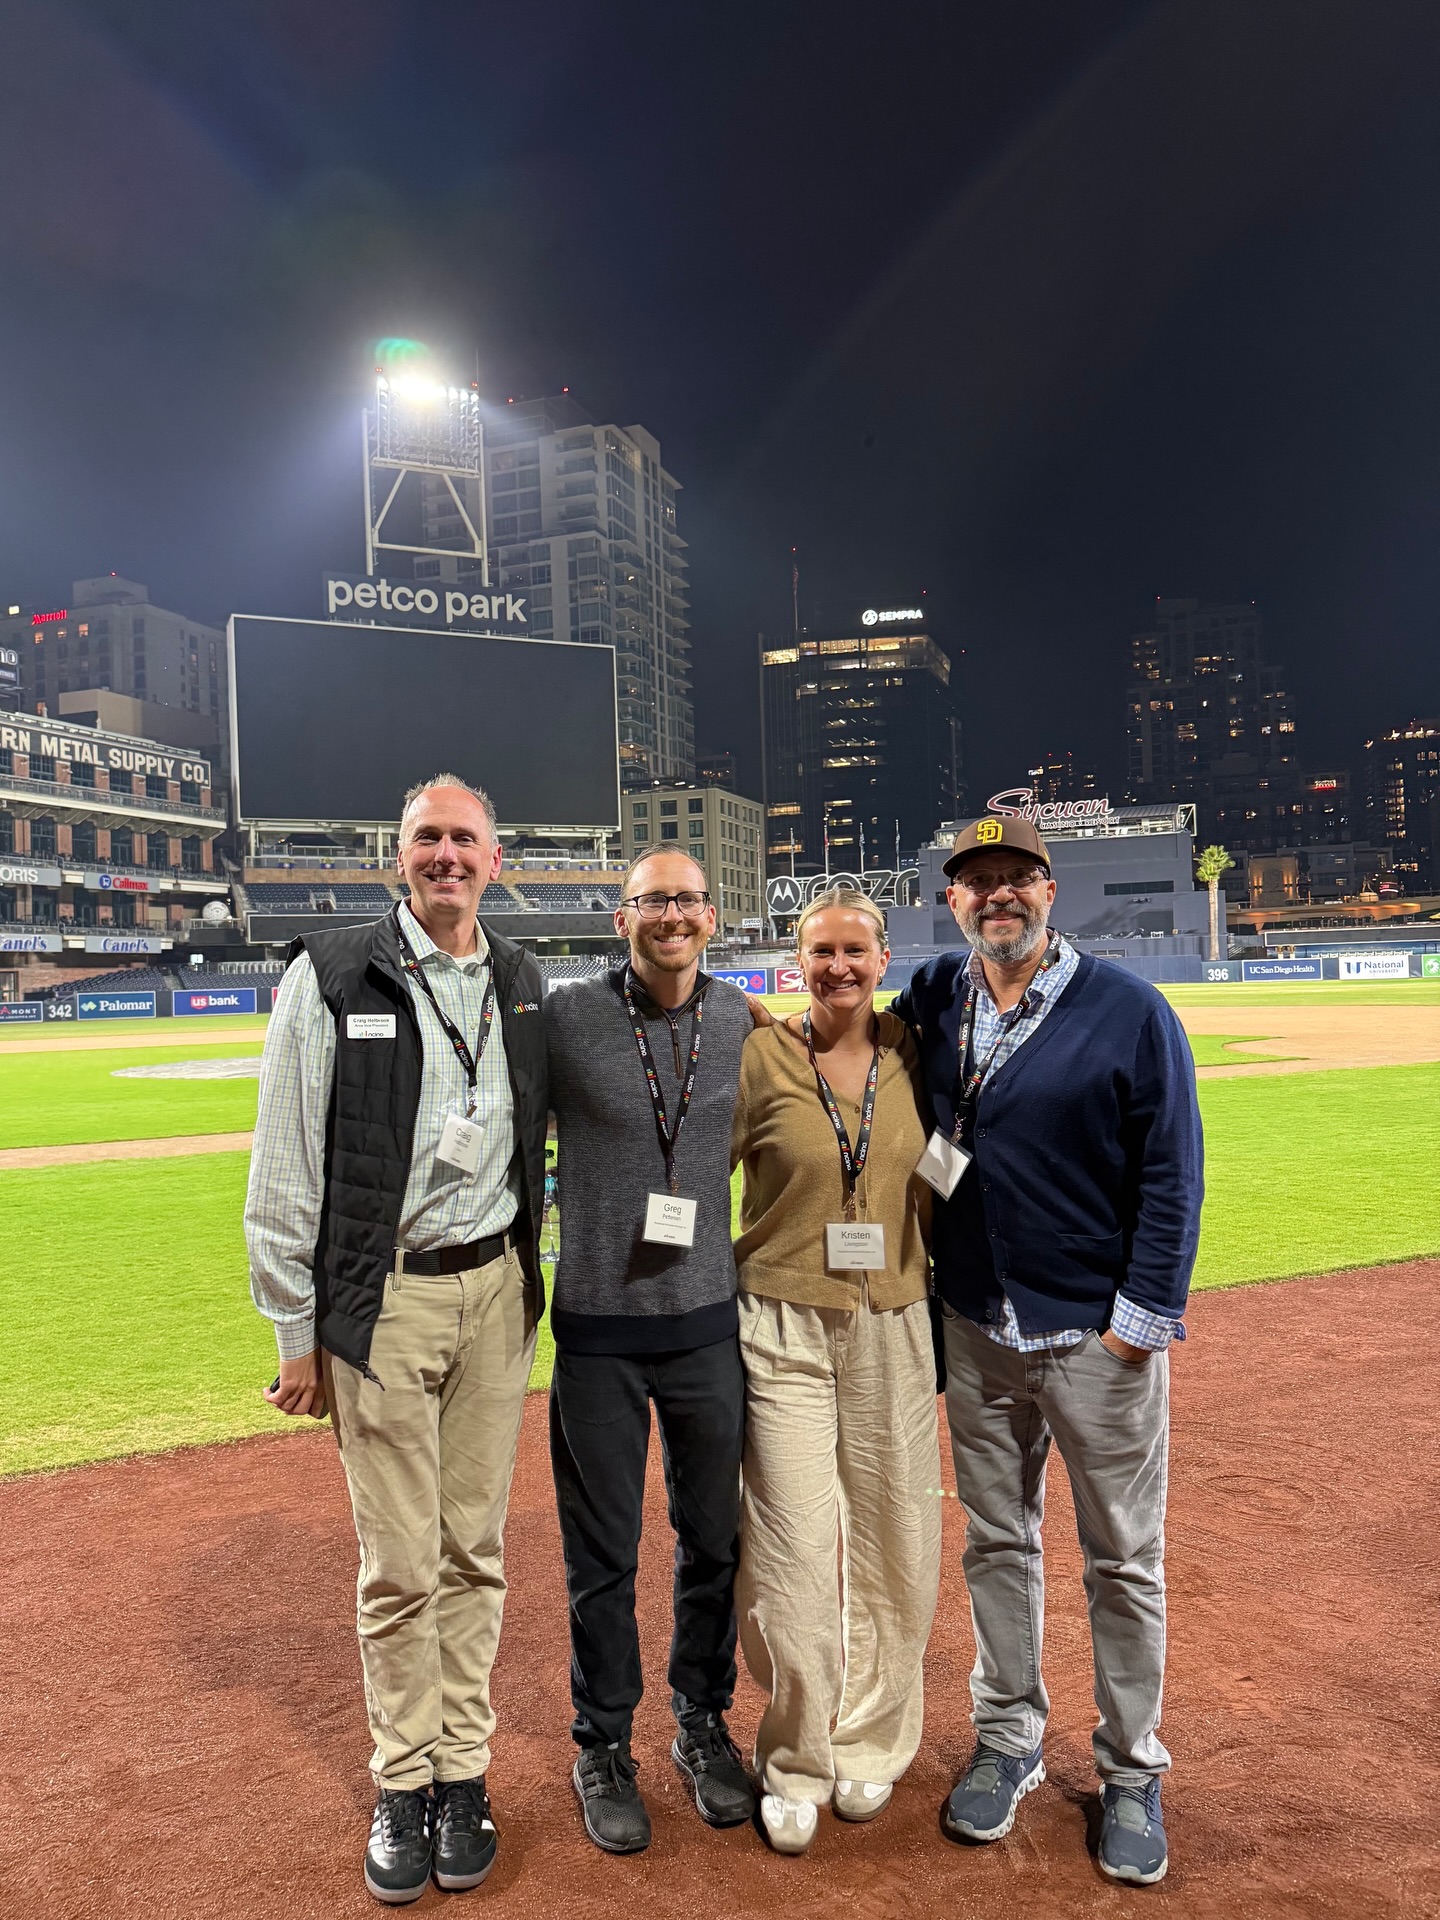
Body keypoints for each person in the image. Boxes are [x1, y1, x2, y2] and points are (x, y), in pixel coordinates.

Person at [246, 775, 549, 1906]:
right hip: (389, 1302)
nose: (447, 856)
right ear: (397, 854)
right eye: (428, 838)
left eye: (466, 838)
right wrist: (295, 1332)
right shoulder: (330, 974)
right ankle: (402, 1778)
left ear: (496, 857)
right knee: (399, 1564)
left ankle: (463, 1772)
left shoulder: (519, 980)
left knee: (475, 1550)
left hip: (497, 1296)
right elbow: (284, 1168)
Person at [891, 814, 1202, 1888]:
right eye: (977, 883)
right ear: (955, 900)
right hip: (977, 1326)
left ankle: (1129, 1768)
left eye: (1016, 877)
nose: (998, 896)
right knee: (997, 1544)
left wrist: (1138, 1322)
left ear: (1050, 888)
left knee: (1121, 1559)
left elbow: (1171, 1174)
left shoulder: (1129, 1011)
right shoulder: (934, 998)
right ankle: (1010, 1736)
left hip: (1094, 1336)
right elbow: (852, 1049)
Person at [544, 846, 757, 1854]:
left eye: (686, 899)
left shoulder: (741, 1021)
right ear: (619, 916)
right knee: (603, 1559)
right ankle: (602, 1743)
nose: (670, 915)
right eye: (651, 900)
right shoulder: (568, 1019)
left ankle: (703, 1723)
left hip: (708, 1324)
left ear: (713, 917)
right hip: (596, 1337)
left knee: (714, 1540)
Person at [730, 886, 941, 1856]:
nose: (839, 967)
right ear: (796, 958)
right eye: (821, 951)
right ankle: (796, 1756)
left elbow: (949, 1173)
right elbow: (692, 1167)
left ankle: (873, 1742)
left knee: (899, 1538)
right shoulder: (762, 1054)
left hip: (893, 1320)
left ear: (883, 956)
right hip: (781, 1322)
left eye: (855, 950)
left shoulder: (915, 1054)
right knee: (793, 1552)